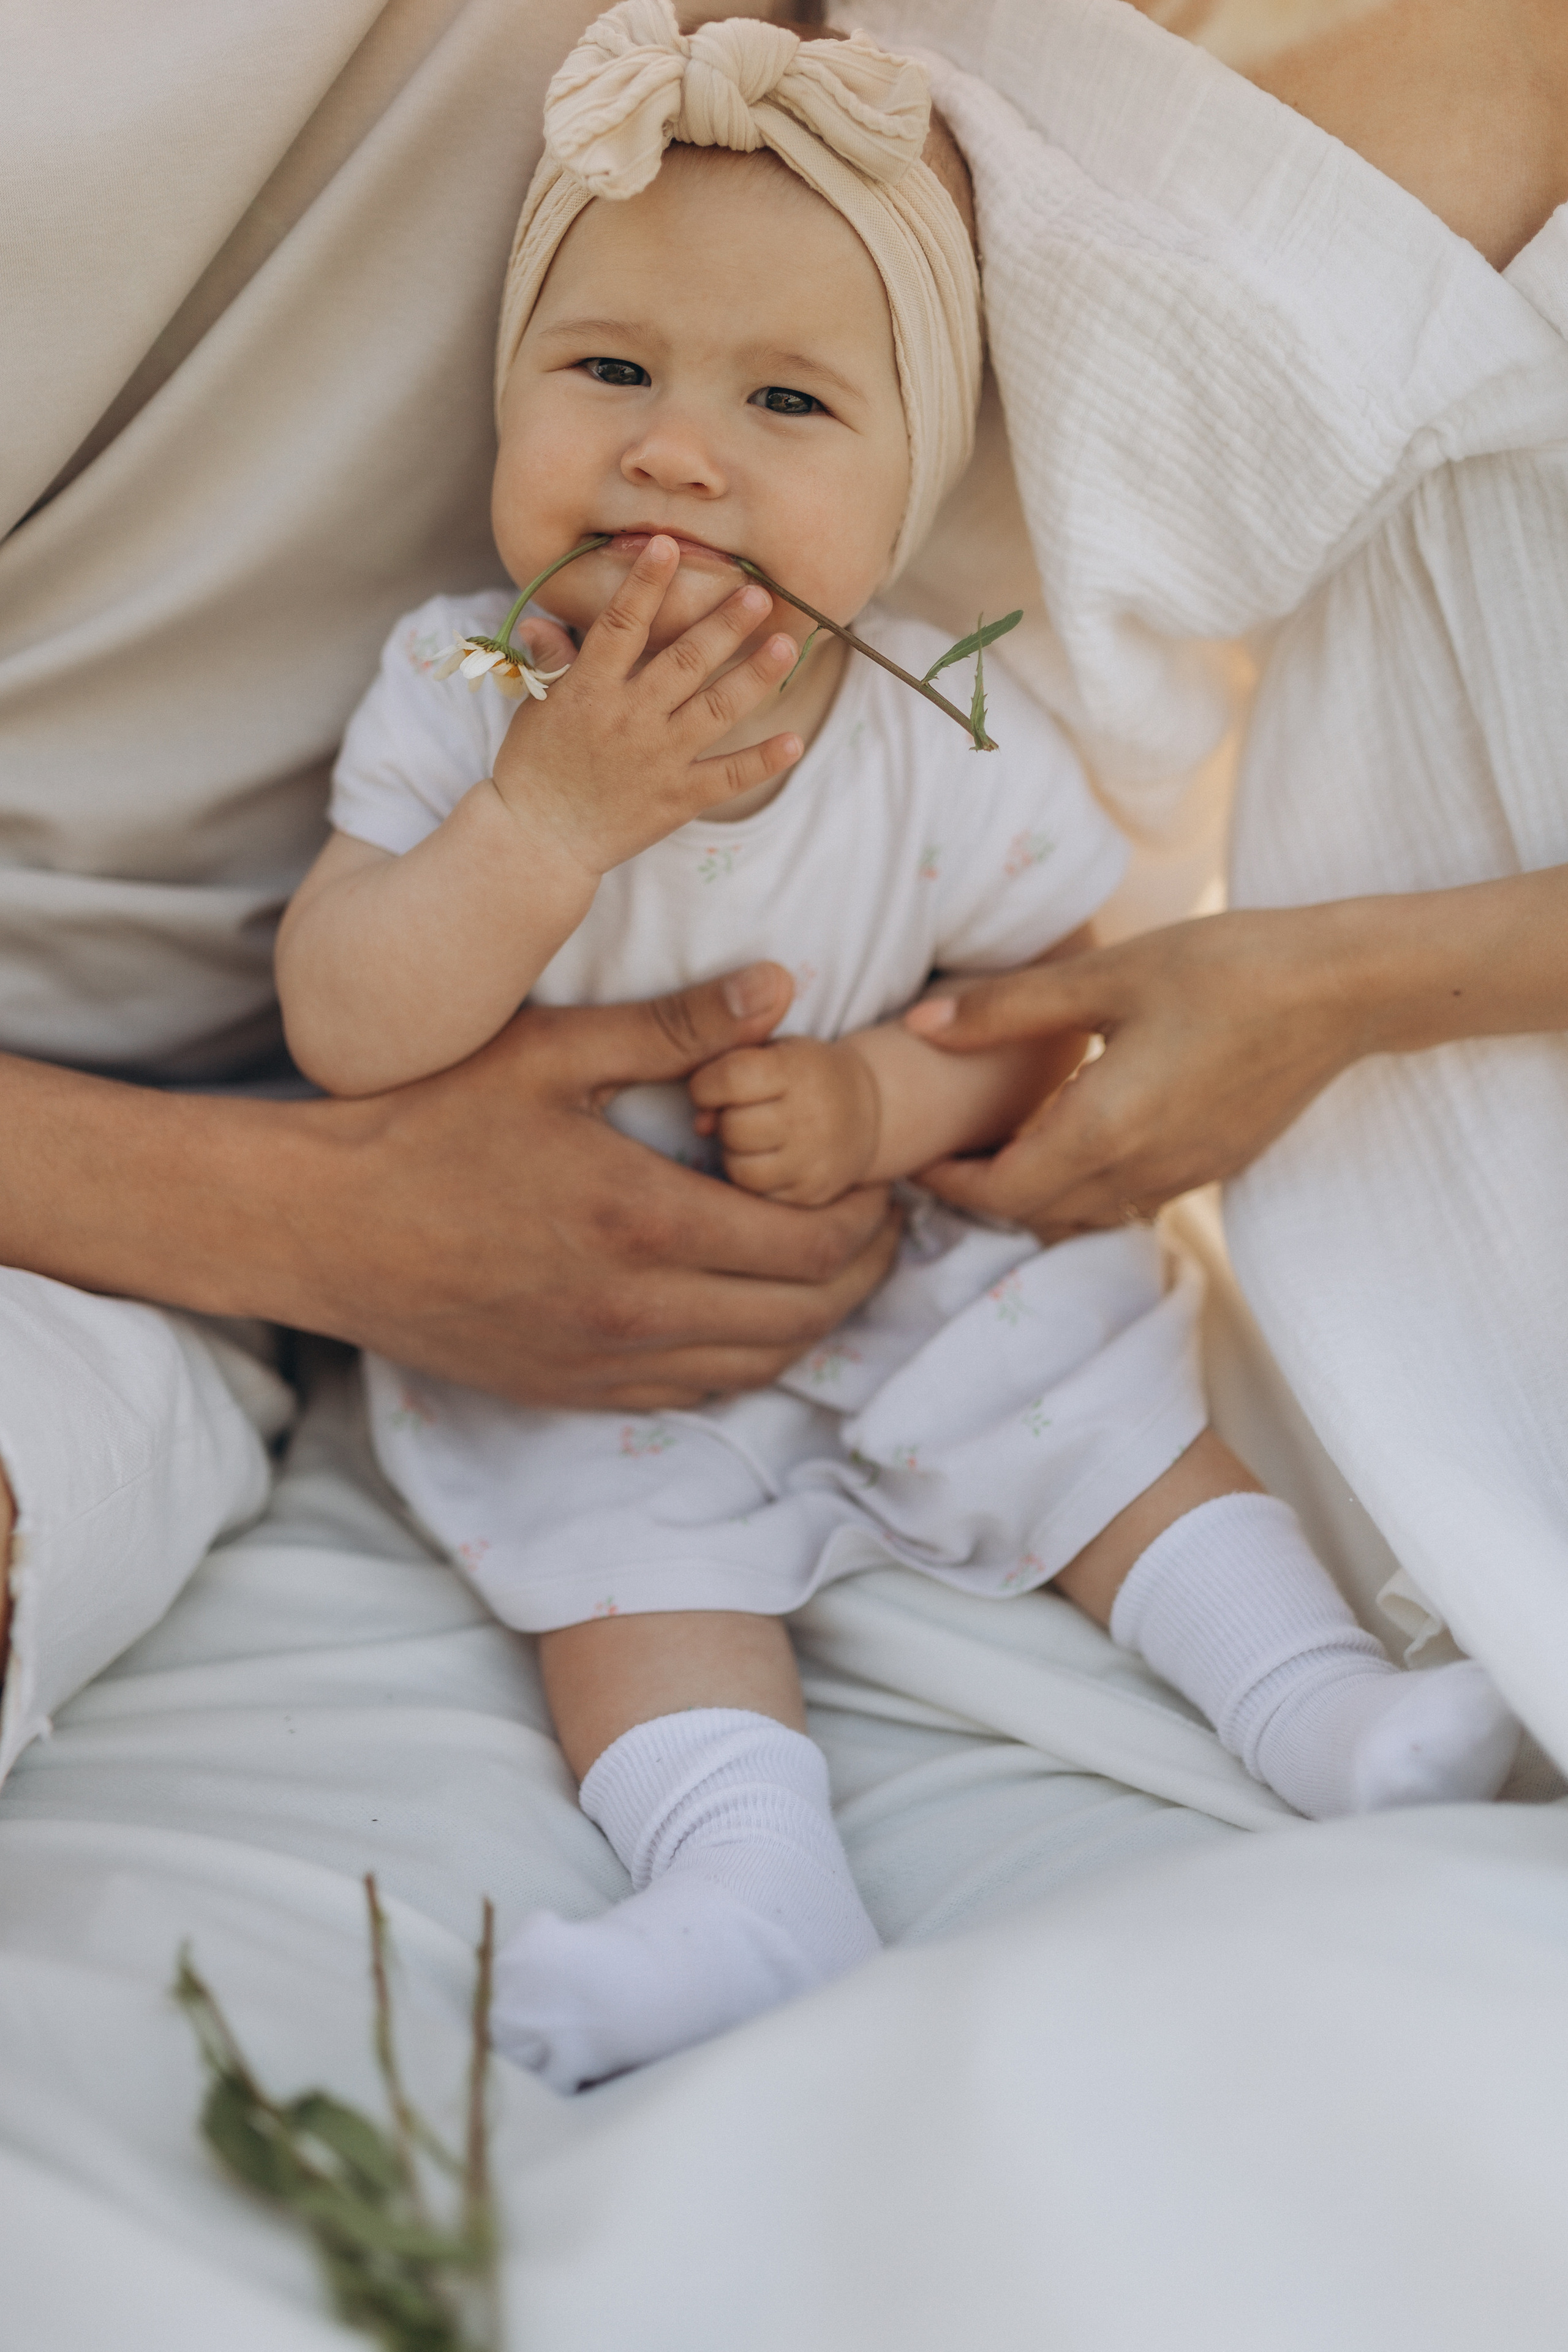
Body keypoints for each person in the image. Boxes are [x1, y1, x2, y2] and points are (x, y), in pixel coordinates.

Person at [273, 4, 1518, 2095]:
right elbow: (345, 1020)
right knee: (614, 1550)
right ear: (502, 402)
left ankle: (1318, 1704)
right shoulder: (465, 689)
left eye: (785, 400)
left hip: (905, 1235)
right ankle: (742, 1875)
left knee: (1098, 1384)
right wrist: (542, 827)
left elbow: (1038, 1022)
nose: (677, 448)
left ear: (908, 484)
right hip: (585, 1294)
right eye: (607, 373)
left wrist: (887, 1100)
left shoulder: (936, 715)